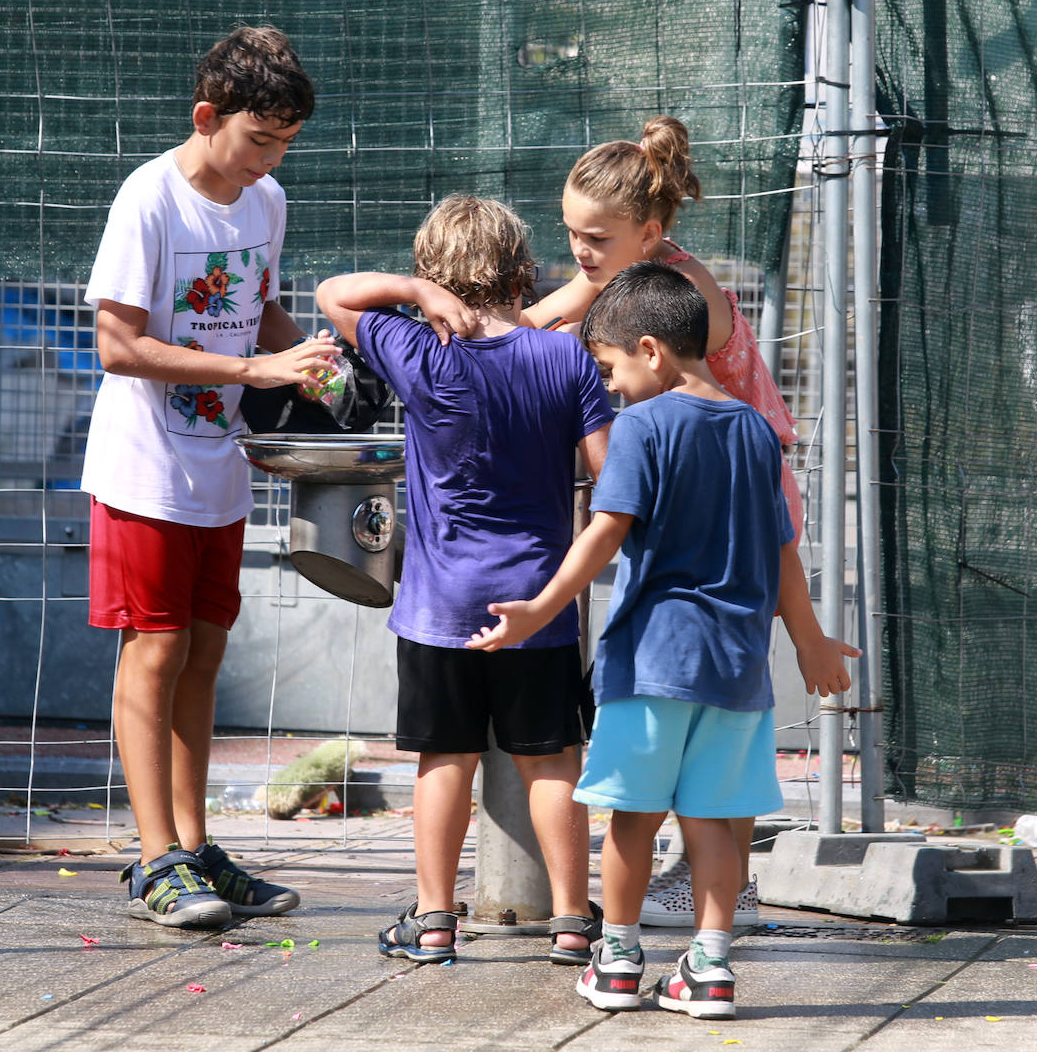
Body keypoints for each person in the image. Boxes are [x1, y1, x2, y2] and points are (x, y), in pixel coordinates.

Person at [469, 262, 858, 1019]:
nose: (609, 387)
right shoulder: (754, 428)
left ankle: (616, 962)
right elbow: (784, 549)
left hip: (649, 663)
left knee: (633, 819)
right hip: (737, 671)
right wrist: (808, 640)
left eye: (609, 367)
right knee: (716, 825)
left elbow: (606, 532)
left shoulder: (642, 427)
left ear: (650, 350)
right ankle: (710, 971)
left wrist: (539, 607)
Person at [81, 25, 340, 928]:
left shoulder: (264, 202)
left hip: (217, 465)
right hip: (144, 468)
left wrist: (312, 358)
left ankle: (193, 848)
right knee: (153, 651)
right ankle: (155, 860)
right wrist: (251, 374)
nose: (270, 160)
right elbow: (118, 344)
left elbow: (255, 308)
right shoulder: (146, 199)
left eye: (284, 143)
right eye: (258, 139)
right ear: (207, 116)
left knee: (204, 651)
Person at [316, 195, 616, 965]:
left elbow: (332, 295)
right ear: (521, 271)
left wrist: (415, 296)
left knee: (444, 758)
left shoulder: (417, 351)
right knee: (550, 758)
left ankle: (435, 919)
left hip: (436, 606)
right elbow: (608, 476)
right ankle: (573, 923)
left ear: (434, 276)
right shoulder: (564, 356)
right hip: (541, 603)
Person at [523, 114, 806, 929]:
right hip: (702, 496)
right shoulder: (628, 270)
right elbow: (547, 318)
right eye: (571, 231)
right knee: (712, 708)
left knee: (726, 698)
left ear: (647, 233)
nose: (579, 249)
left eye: (595, 236)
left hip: (739, 493)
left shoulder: (684, 293)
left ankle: (729, 886)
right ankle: (710, 882)